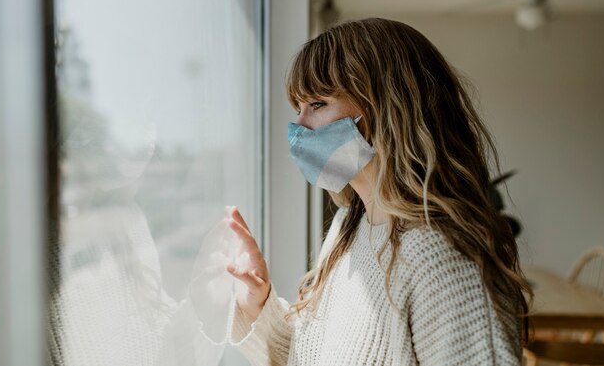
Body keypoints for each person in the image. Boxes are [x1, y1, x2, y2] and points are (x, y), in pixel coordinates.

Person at [224, 18, 531, 366]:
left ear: (387, 109)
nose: (298, 126)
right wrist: (258, 303)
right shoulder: (349, 229)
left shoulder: (442, 257)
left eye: (318, 104)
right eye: (298, 108)